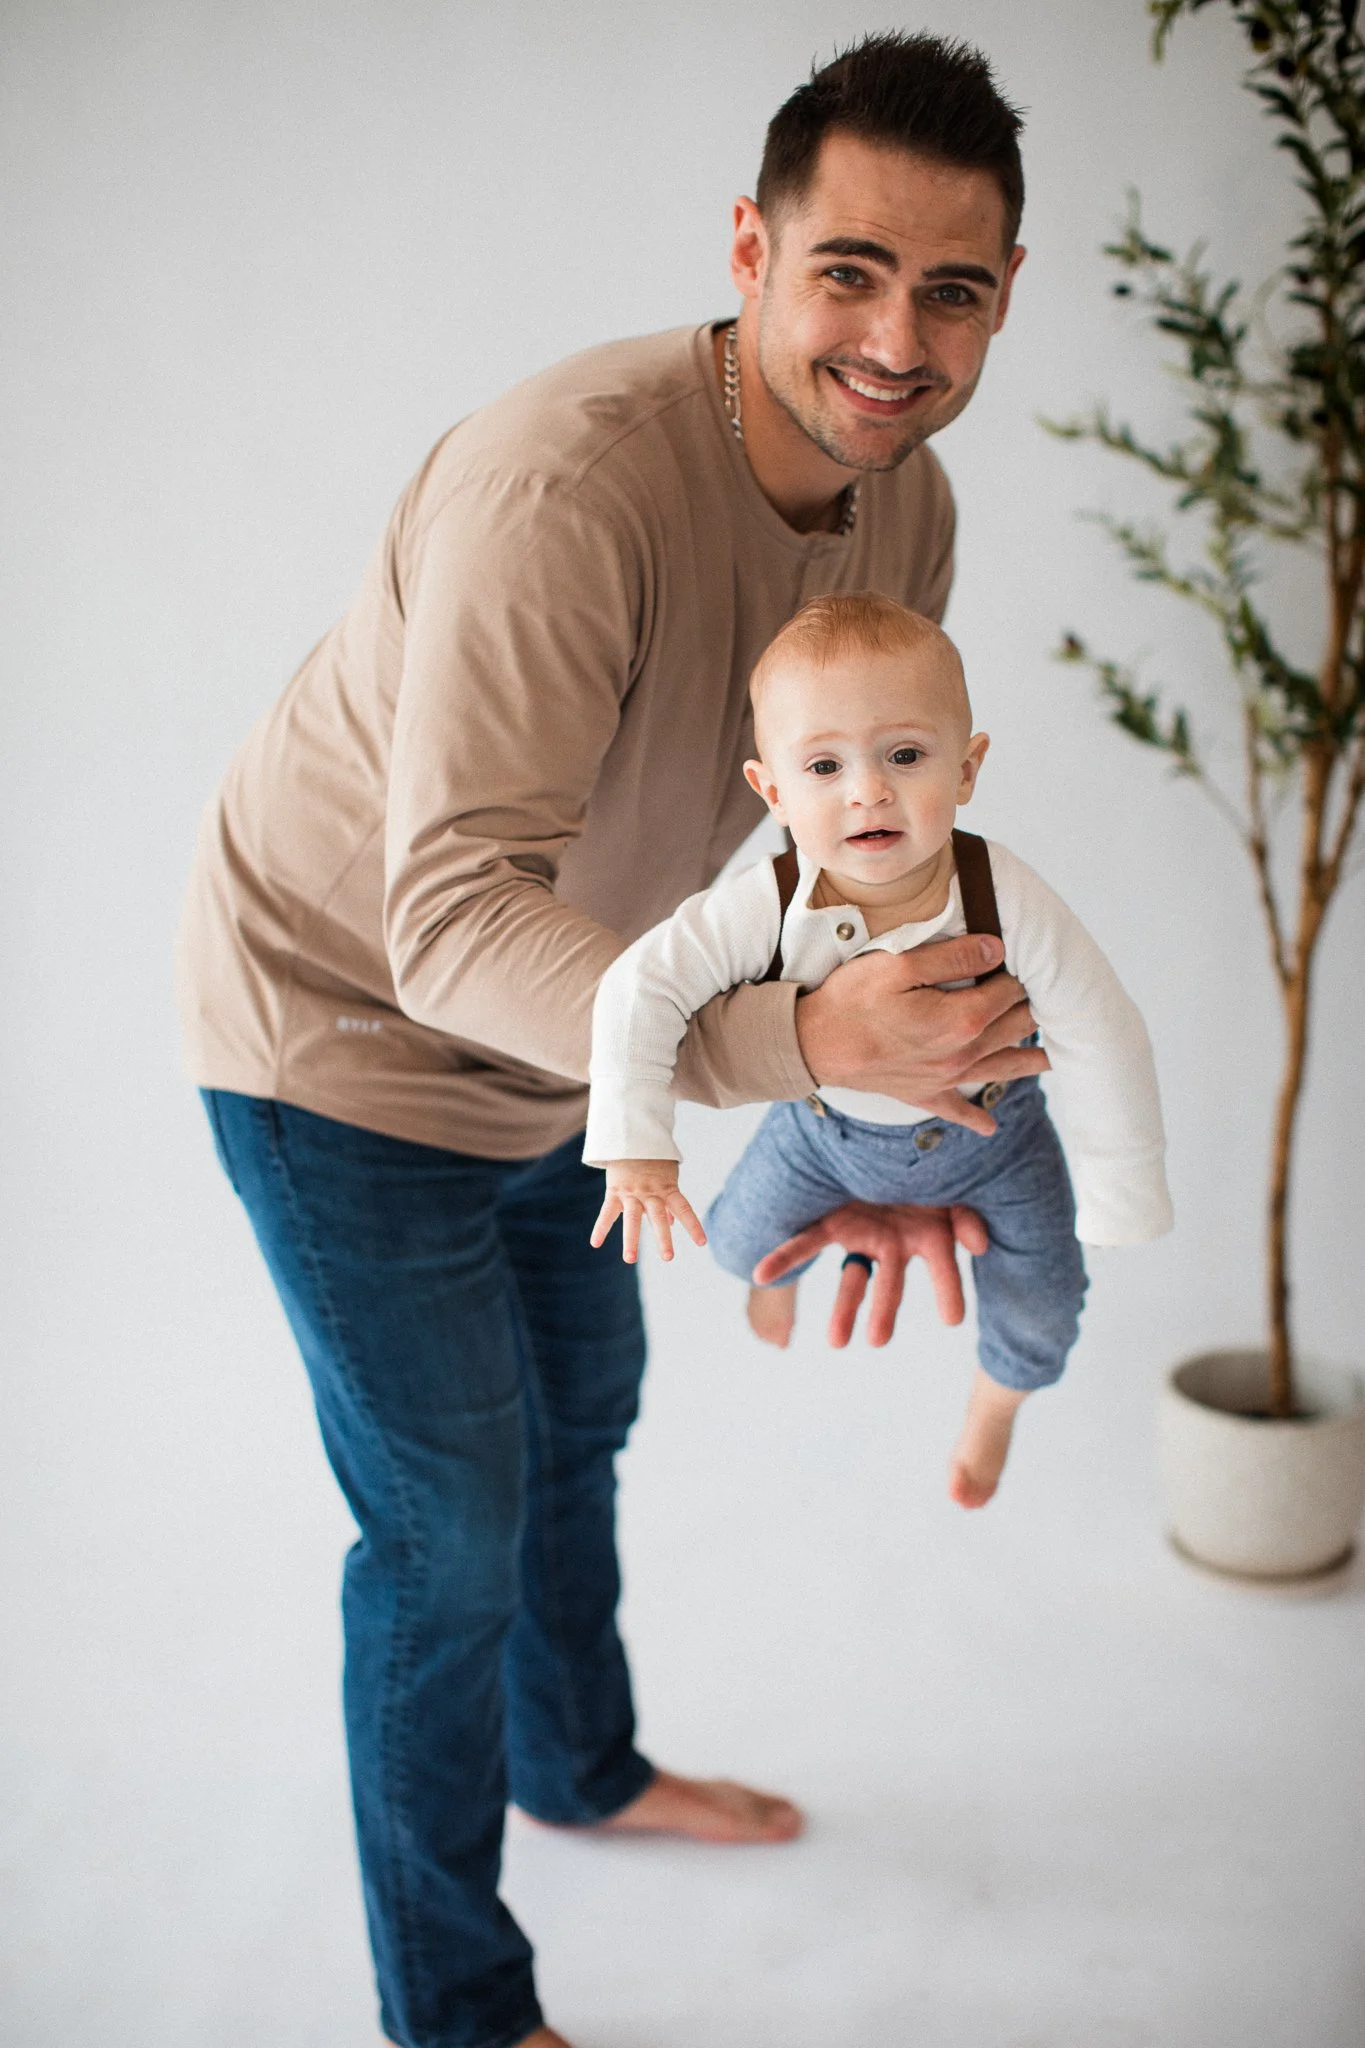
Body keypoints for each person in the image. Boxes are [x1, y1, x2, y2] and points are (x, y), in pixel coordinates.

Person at [177, 31, 1044, 2048]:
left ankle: (578, 1765)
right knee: (446, 1528)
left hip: (579, 1043)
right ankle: (460, 2012)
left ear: (1004, 297)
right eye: (846, 272)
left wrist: (885, 1131)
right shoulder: (571, 487)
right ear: (749, 249)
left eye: (951, 290)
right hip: (338, 1025)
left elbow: (847, 854)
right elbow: (445, 923)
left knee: (581, 1415)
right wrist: (797, 1049)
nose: (894, 341)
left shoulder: (905, 510)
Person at [585, 593, 1174, 1507]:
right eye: (823, 766)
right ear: (772, 792)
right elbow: (640, 986)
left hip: (997, 1143)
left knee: (1047, 1304)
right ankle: (775, 1281)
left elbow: (1099, 1027)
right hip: (822, 1138)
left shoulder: (1002, 891)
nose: (866, 791)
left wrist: (1118, 1191)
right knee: (736, 1241)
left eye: (904, 755)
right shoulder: (766, 900)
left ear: (966, 768)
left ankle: (995, 1405)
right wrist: (637, 1147)